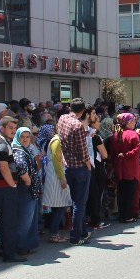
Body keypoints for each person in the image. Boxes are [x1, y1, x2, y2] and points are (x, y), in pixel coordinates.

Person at [0, 116, 27, 262]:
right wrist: (13, 184)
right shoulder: (2, 145)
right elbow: (4, 168)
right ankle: (9, 254)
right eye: (10, 128)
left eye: (14, 129)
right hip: (4, 188)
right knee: (8, 222)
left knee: (0, 220)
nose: (13, 131)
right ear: (1, 128)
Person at [57, 99, 92, 245]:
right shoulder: (78, 126)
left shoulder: (62, 118)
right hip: (79, 167)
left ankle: (82, 231)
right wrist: (88, 165)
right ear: (83, 111)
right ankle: (75, 236)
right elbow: (83, 150)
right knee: (80, 202)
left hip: (68, 165)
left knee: (76, 201)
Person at [10, 127, 42, 252]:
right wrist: (28, 181)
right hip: (25, 189)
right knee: (24, 220)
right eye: (22, 137)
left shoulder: (26, 149)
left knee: (30, 219)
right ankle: (21, 247)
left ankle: (27, 245)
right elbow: (20, 166)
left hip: (30, 188)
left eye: (27, 136)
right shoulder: (18, 150)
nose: (25, 139)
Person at [42, 133, 71, 243]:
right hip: (56, 176)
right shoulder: (57, 141)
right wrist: (62, 178)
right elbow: (56, 160)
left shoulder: (59, 140)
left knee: (60, 205)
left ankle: (54, 233)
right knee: (60, 206)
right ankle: (54, 234)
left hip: (57, 175)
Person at [112, 113, 140, 223]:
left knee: (121, 193)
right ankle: (128, 216)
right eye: (134, 120)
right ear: (129, 122)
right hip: (130, 168)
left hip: (119, 167)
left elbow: (114, 151)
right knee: (130, 193)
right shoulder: (132, 134)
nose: (135, 123)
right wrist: (126, 155)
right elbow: (137, 150)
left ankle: (122, 215)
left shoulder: (116, 134)